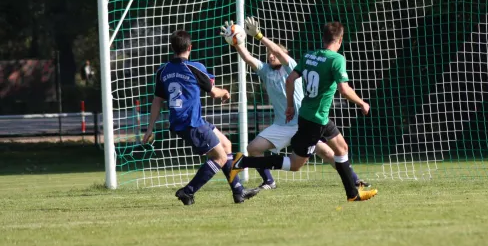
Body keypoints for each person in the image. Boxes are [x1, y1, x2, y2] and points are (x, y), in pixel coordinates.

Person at [227, 21, 378, 202]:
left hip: (308, 117)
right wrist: (362, 102)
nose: (271, 56)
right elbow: (344, 90)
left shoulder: (303, 59)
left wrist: (290, 105)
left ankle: (354, 189)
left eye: (274, 53)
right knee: (292, 164)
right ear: (340, 39)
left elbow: (289, 77)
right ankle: (244, 163)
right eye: (269, 55)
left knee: (338, 149)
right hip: (304, 121)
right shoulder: (334, 59)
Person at [142, 29, 260, 205]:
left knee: (226, 145)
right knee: (219, 158)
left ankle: (238, 191)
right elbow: (213, 93)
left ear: (172, 47)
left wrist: (150, 128)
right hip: (192, 122)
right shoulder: (195, 68)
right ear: (190, 47)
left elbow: (157, 101)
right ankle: (187, 191)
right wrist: (226, 92)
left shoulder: (163, 71)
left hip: (181, 122)